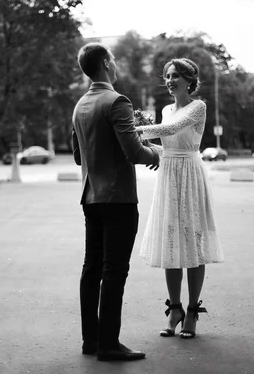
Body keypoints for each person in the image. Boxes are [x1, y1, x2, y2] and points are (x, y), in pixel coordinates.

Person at [71, 43, 160, 361]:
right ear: (107, 63)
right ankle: (109, 343)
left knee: (91, 268)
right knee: (114, 270)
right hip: (119, 199)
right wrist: (156, 154)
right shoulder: (116, 101)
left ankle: (90, 341)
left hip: (90, 197)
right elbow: (134, 152)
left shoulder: (81, 104)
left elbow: (78, 154)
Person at [136, 58, 224, 339]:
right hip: (169, 175)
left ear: (189, 80)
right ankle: (174, 309)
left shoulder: (198, 107)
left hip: (190, 174)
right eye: (167, 76)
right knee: (171, 240)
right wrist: (151, 151)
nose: (170, 80)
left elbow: (173, 130)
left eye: (176, 76)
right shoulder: (164, 109)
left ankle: (192, 312)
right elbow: (165, 143)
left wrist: (132, 130)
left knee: (194, 241)